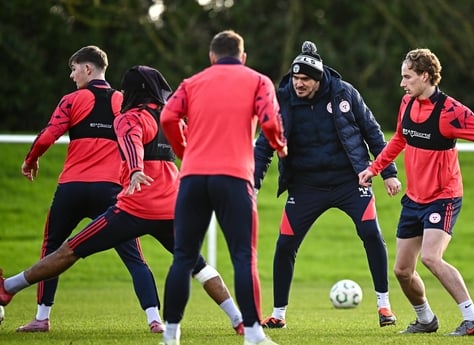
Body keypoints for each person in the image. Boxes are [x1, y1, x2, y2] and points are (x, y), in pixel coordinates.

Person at [0, 65, 245, 336]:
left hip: (133, 209)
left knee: (68, 250)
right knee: (198, 266)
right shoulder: (173, 119)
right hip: (170, 209)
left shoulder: (130, 118)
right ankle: (238, 320)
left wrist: (136, 169)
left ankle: (8, 287)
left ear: (134, 91)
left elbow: (132, 141)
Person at [357, 48, 474, 336]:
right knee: (402, 270)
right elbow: (399, 140)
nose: (402, 83)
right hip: (414, 199)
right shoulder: (406, 103)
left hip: (444, 197)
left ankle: (473, 317)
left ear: (426, 76)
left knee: (430, 257)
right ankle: (426, 319)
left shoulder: (451, 112)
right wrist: (374, 168)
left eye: (408, 77)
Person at [15, 45, 165, 333]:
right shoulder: (125, 101)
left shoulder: (72, 100)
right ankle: (154, 319)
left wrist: (30, 160)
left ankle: (42, 318)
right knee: (134, 256)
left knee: (52, 248)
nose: (72, 76)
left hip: (71, 188)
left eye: (73, 69)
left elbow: (48, 135)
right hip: (110, 190)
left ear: (87, 68)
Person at [254, 41, 401, 329]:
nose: (299, 84)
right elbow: (264, 146)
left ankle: (384, 306)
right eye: (296, 78)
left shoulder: (344, 92)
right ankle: (278, 314)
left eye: (305, 79)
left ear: (318, 79)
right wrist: (254, 183)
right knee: (285, 245)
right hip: (306, 186)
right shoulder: (281, 99)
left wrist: (388, 172)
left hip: (350, 181)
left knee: (371, 233)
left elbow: (373, 131)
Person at [159, 30, 287, 345]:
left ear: (212, 57)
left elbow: (167, 116)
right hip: (233, 178)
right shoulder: (258, 81)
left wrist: (183, 150)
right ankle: (254, 334)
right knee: (244, 257)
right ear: (242, 57)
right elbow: (270, 121)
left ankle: (171, 335)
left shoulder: (191, 83)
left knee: (183, 258)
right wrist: (279, 146)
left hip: (192, 178)